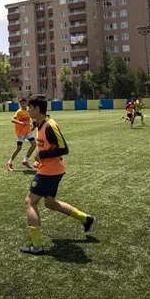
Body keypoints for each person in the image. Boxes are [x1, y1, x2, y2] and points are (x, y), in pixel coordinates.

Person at [20, 94, 94, 255]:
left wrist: (42, 156)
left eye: (30, 108)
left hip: (49, 173)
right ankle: (85, 218)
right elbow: (47, 146)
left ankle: (37, 246)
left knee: (29, 202)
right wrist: (40, 160)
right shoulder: (39, 124)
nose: (28, 110)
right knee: (50, 203)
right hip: (51, 170)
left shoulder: (50, 126)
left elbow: (63, 149)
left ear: (37, 109)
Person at [7, 98, 35, 172]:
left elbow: (30, 118)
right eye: (21, 103)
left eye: (23, 103)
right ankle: (9, 163)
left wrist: (32, 124)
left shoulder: (29, 110)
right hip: (20, 132)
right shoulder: (19, 112)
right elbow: (12, 120)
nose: (22, 104)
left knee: (34, 144)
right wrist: (21, 123)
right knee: (19, 148)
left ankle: (25, 160)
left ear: (26, 103)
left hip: (27, 131)